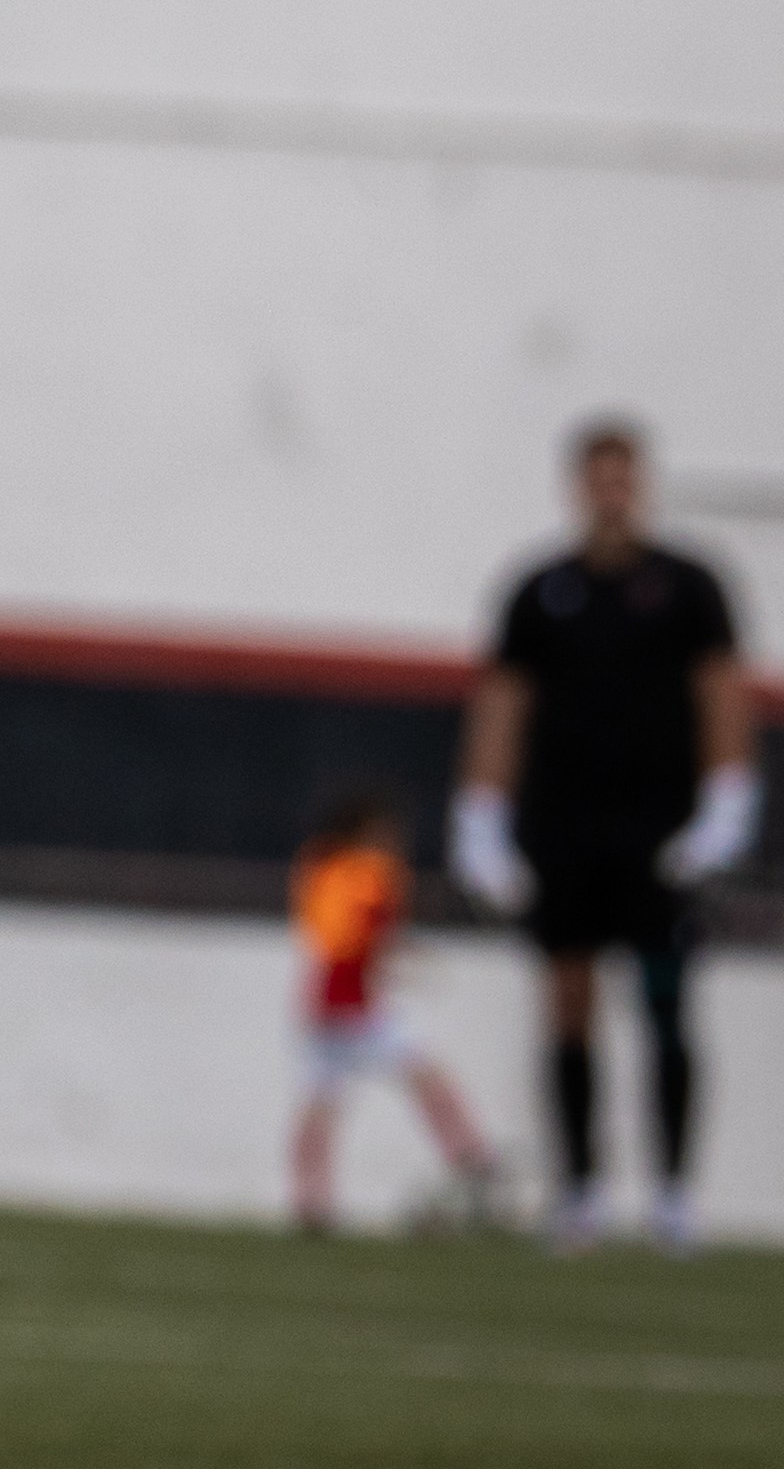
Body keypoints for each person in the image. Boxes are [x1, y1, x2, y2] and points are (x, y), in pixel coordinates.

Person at [452, 419, 763, 1253]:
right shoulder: (540, 592)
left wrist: (727, 802)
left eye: (625, 479)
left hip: (658, 830)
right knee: (568, 1005)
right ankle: (581, 1189)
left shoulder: (690, 589)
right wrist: (482, 816)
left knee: (665, 1003)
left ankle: (672, 1195)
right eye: (598, 479)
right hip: (564, 827)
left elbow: (720, 695)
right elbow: (503, 708)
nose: (612, 495)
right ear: (578, 487)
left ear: (643, 486)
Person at [288, 788, 499, 1232]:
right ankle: (473, 1159)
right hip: (352, 1009)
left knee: (323, 1103)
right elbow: (357, 939)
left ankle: (311, 1202)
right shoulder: (369, 875)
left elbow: (334, 935)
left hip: (330, 1005)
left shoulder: (322, 868)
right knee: (419, 1078)